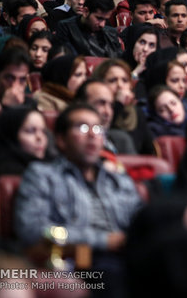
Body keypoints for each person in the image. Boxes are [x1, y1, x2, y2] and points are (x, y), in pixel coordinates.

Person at [14, 104, 142, 291]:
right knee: (113, 273)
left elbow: (142, 219)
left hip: (130, 252)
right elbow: (33, 229)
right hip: (80, 260)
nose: (92, 135)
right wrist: (104, 240)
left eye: (97, 128)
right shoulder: (42, 175)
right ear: (61, 140)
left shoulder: (118, 179)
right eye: (82, 127)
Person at [54, 0, 123, 57]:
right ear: (86, 12)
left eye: (106, 19)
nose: (102, 24)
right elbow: (66, 60)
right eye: (99, 18)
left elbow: (120, 61)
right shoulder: (66, 28)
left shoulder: (111, 33)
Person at [0, 107, 49, 180]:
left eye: (43, 131)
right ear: (11, 135)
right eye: (30, 131)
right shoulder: (7, 172)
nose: (40, 137)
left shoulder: (50, 163)